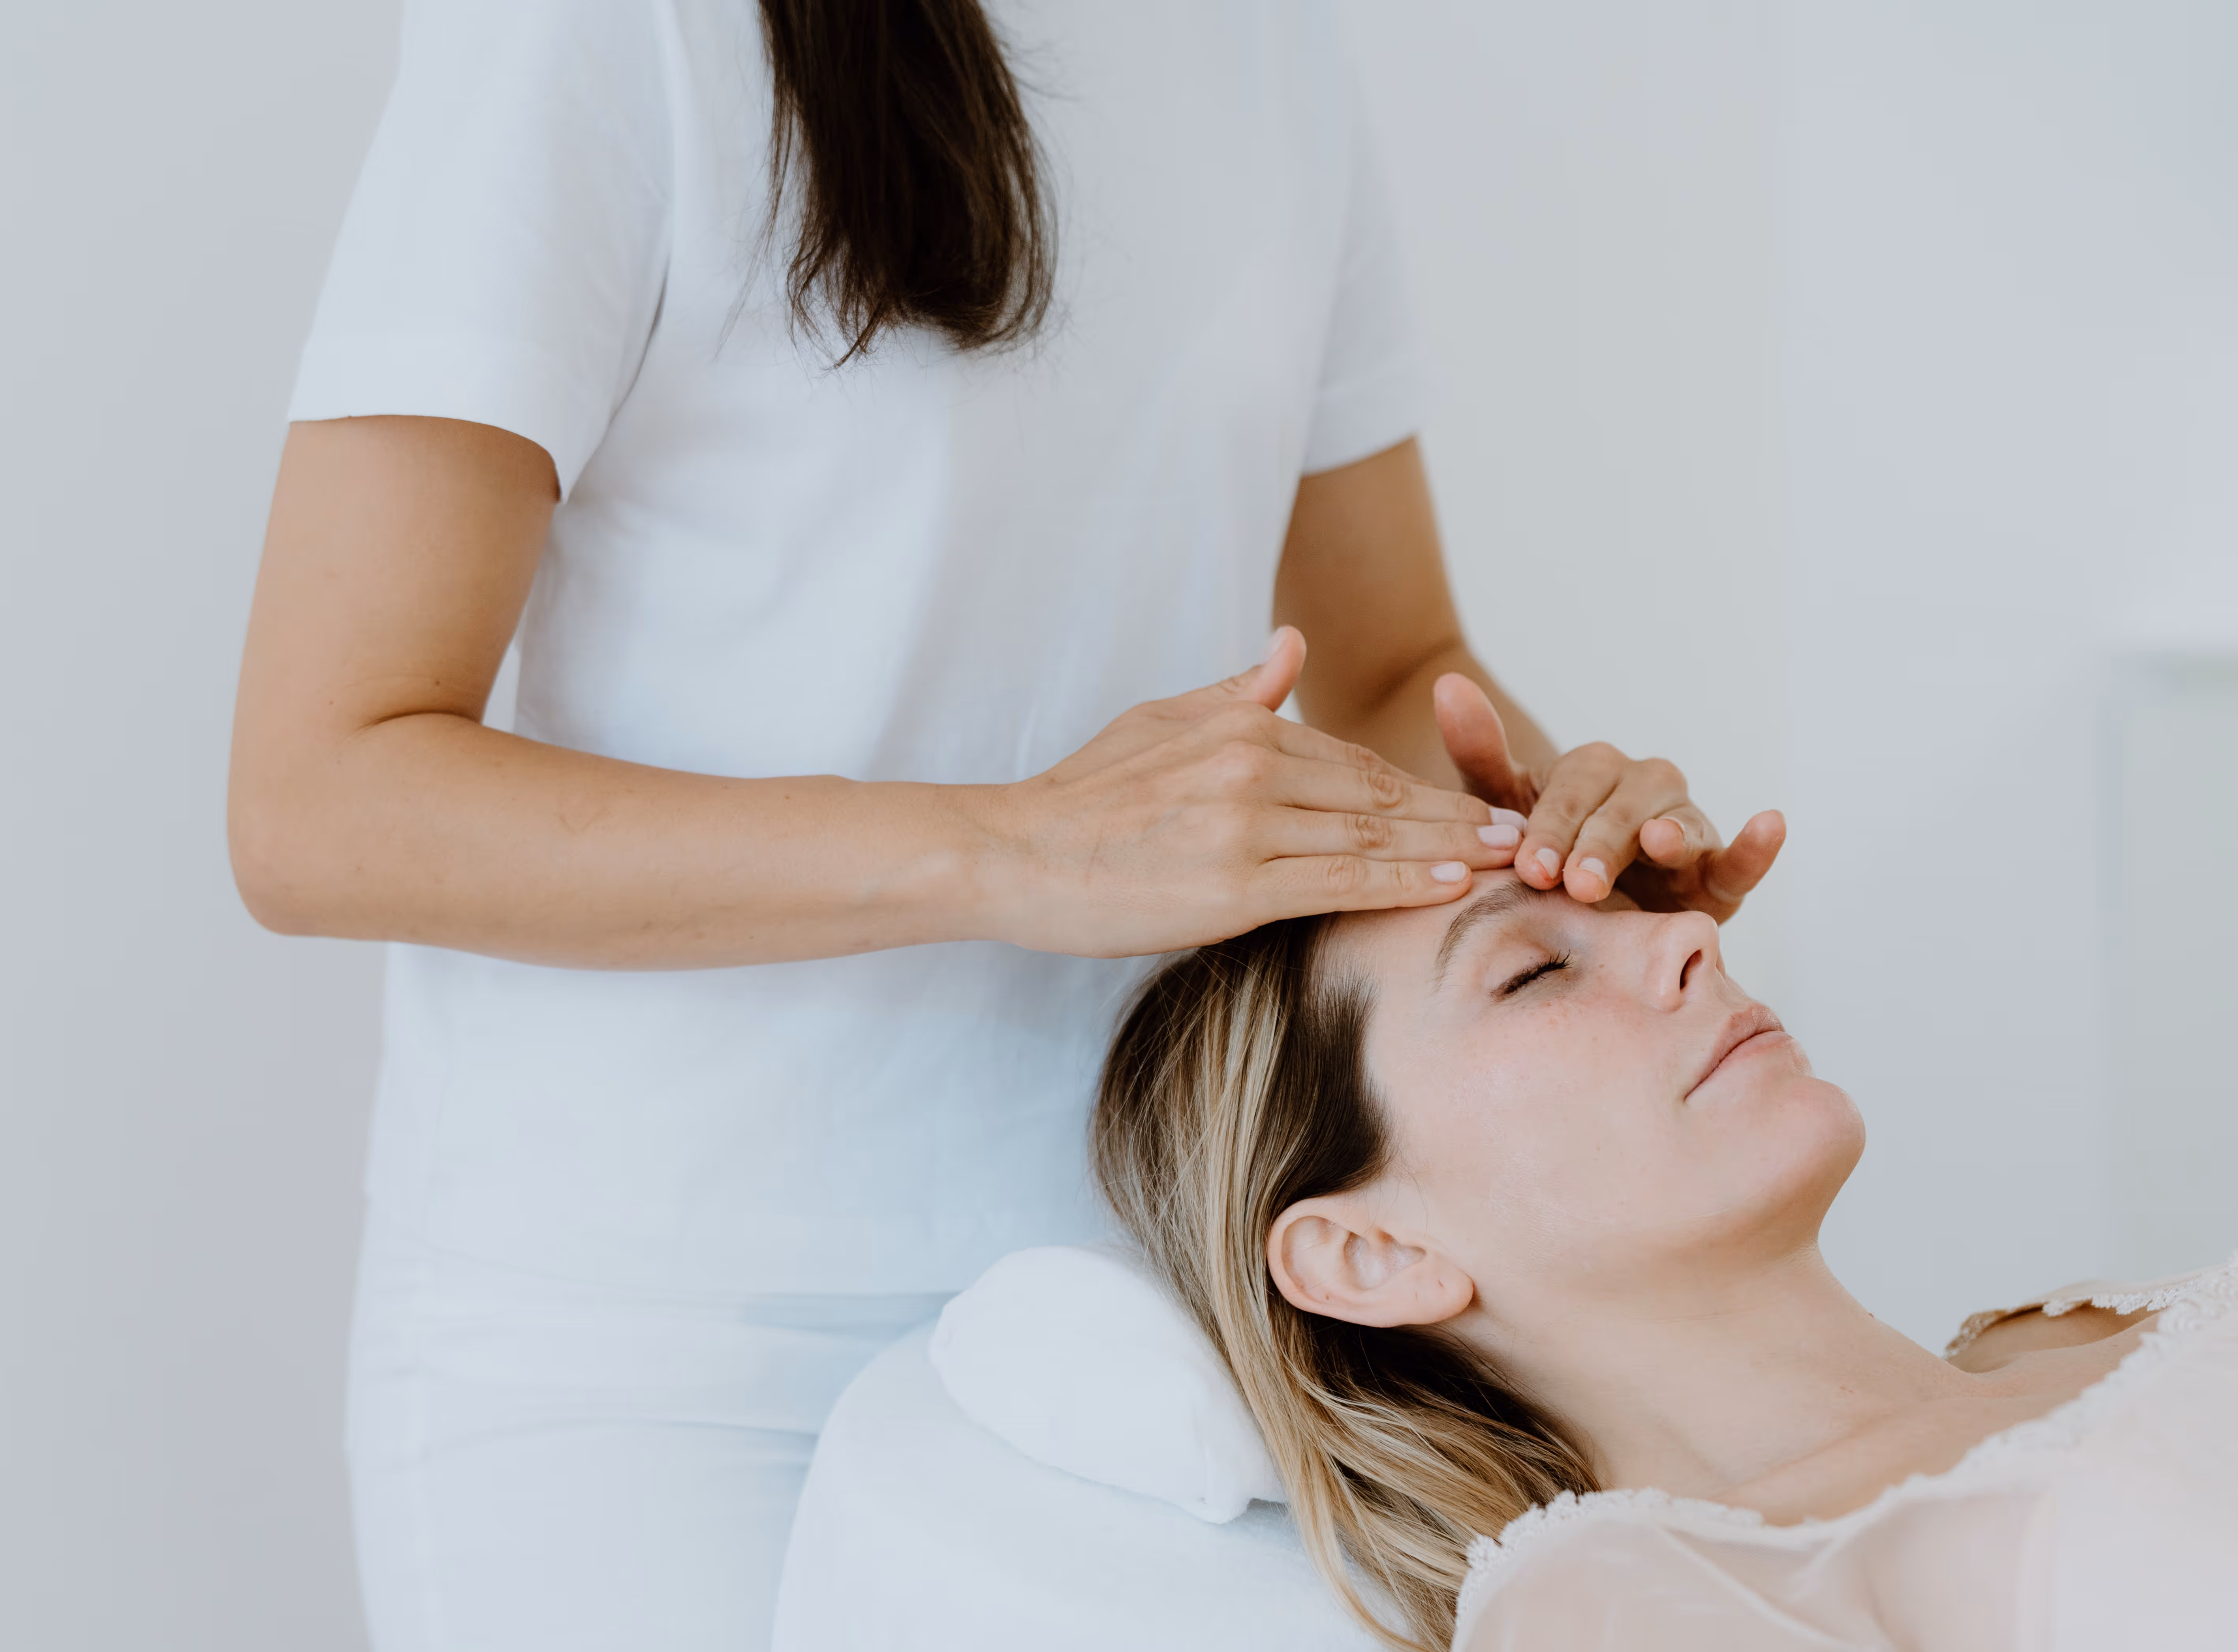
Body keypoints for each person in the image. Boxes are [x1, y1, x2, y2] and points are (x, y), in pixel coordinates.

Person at [227, 2, 1785, 1646]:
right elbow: (322, 794)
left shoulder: (1267, 49)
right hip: (639, 1348)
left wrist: (1567, 854)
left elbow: (1395, 660)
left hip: (1146, 1327)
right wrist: (1006, 847)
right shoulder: (607, 35)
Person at [1093, 870, 2238, 1652]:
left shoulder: (2081, 1328)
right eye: (1532, 970)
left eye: (1633, 909)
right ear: (1371, 1253)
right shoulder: (1613, 1600)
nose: (1690, 934)